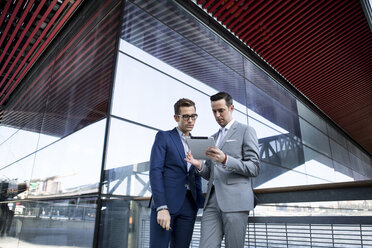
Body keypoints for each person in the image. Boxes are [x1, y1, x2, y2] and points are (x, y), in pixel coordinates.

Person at [186, 92, 260, 248]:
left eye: (221, 110)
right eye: (214, 111)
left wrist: (226, 159)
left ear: (231, 108)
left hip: (236, 202)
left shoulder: (246, 130)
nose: (217, 115)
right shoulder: (213, 138)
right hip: (212, 202)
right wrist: (199, 165)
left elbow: (254, 168)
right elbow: (212, 174)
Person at [149, 98, 204, 248]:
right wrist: (161, 207)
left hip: (189, 205)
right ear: (176, 117)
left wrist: (198, 200)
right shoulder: (164, 137)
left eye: (193, 116)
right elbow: (155, 172)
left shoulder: (197, 143)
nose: (191, 120)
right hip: (166, 204)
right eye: (186, 116)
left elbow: (195, 176)